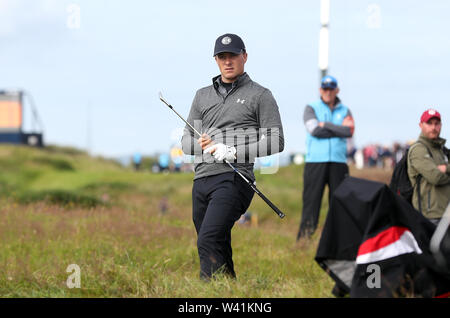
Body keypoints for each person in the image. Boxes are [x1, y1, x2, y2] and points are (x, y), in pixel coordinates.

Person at [181, 33, 284, 280]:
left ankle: (208, 294)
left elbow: (276, 141)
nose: (228, 61)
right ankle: (231, 289)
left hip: (235, 178)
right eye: (222, 57)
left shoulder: (261, 95)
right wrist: (202, 145)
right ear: (216, 60)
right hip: (202, 179)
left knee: (208, 238)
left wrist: (234, 151)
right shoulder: (201, 95)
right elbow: (185, 142)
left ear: (244, 57)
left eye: (233, 56)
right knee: (216, 242)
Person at [297, 75, 355, 240]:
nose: (328, 92)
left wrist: (326, 125)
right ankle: (304, 240)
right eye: (325, 88)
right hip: (315, 162)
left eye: (331, 89)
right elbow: (315, 131)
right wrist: (337, 129)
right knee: (311, 203)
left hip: (339, 162)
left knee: (340, 204)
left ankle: (338, 241)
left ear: (337, 90)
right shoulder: (311, 108)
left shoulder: (345, 110)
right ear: (320, 90)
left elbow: (349, 131)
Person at [407, 109, 450, 225]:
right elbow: (435, 177)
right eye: (429, 123)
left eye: (437, 124)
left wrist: (445, 168)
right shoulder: (419, 149)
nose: (433, 127)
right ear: (421, 125)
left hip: (445, 213)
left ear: (441, 125)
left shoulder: (441, 149)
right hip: (430, 215)